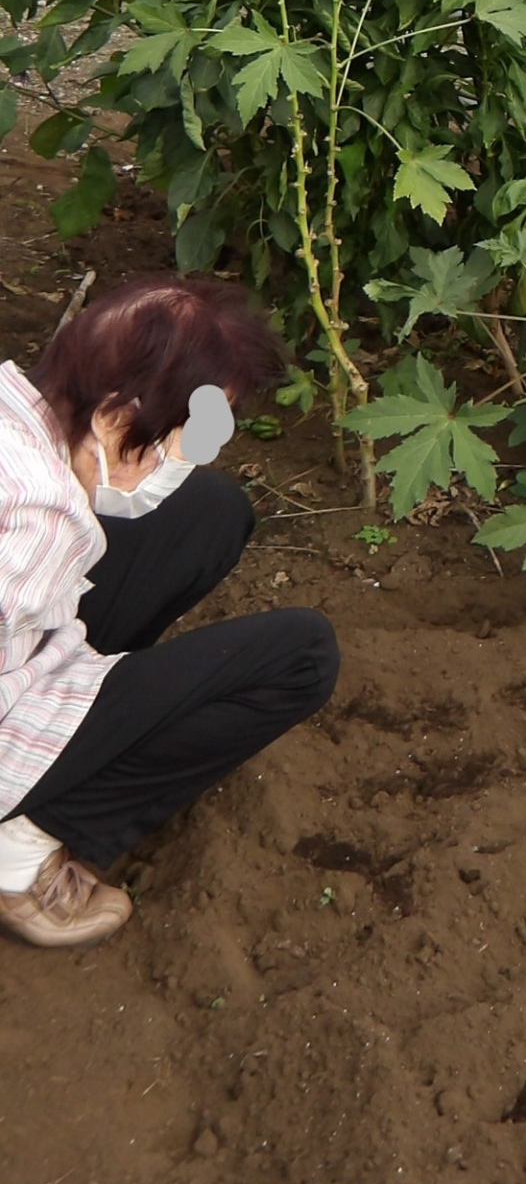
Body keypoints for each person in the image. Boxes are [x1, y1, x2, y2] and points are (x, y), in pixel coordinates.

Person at [0, 275, 340, 950]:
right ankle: (18, 854)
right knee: (302, 656)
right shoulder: (30, 531)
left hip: (24, 644)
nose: (184, 457)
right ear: (118, 418)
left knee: (209, 513)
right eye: (185, 437)